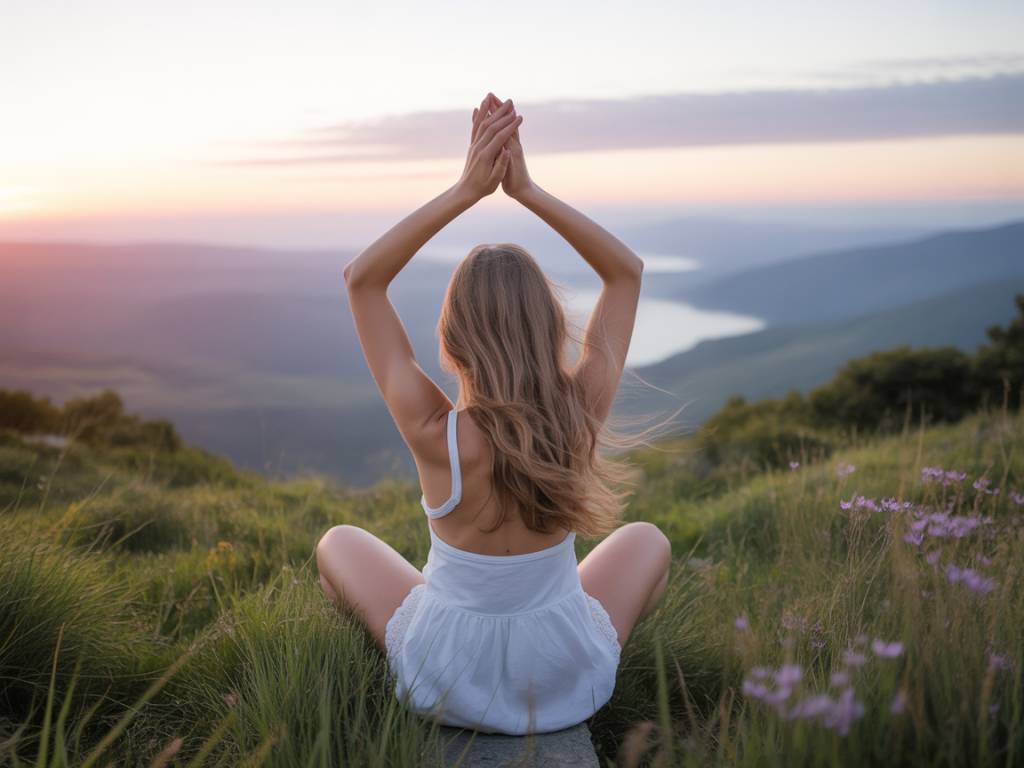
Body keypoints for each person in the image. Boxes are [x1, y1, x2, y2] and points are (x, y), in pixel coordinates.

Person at [317, 91, 671, 735]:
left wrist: (467, 190)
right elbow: (626, 274)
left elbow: (361, 280)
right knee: (650, 540)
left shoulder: (435, 433)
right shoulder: (578, 412)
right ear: (545, 327)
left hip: (444, 677)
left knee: (336, 543)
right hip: (564, 679)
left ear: (452, 339)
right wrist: (526, 190)